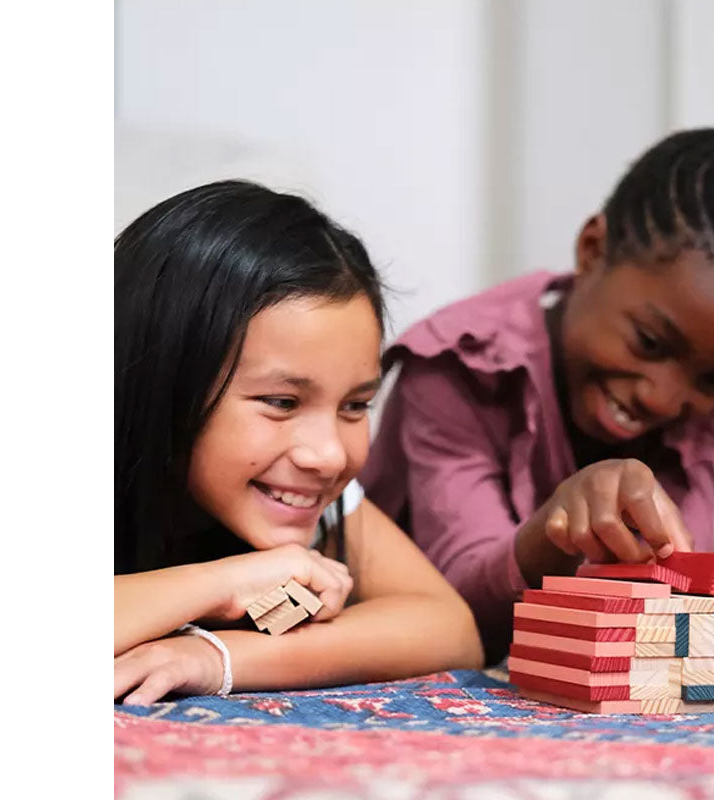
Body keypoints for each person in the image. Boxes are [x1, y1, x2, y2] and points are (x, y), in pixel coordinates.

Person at [362, 100, 714, 664]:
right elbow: (462, 608)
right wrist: (555, 528)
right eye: (650, 343)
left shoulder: (690, 405)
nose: (663, 397)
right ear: (591, 250)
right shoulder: (459, 366)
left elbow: (670, 608)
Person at [114, 180, 483, 705]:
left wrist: (216, 656)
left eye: (355, 405)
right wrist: (225, 582)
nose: (329, 455)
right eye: (282, 403)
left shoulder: (301, 492)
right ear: (163, 382)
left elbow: (447, 627)